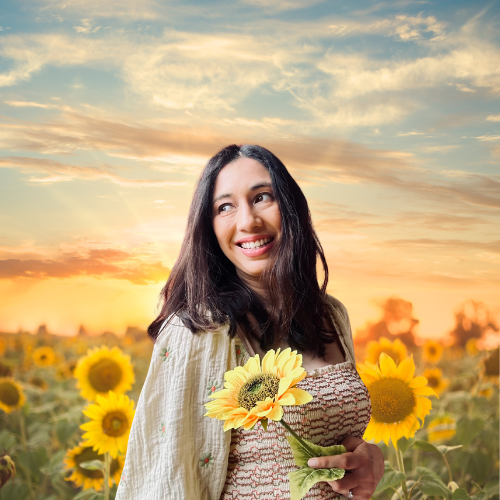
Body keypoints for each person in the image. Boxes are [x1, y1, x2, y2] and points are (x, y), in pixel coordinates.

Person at [115, 145, 384, 500]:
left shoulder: (331, 314)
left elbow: (340, 443)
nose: (248, 222)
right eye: (225, 207)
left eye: (262, 197)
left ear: (291, 208)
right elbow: (168, 479)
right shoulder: (197, 331)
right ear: (208, 228)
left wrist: (370, 459)